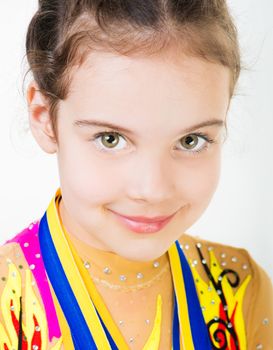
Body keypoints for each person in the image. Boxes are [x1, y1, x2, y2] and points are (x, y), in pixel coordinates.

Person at [0, 0, 272, 349]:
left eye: (191, 140)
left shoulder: (241, 290)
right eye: (110, 139)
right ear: (43, 117)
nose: (153, 190)